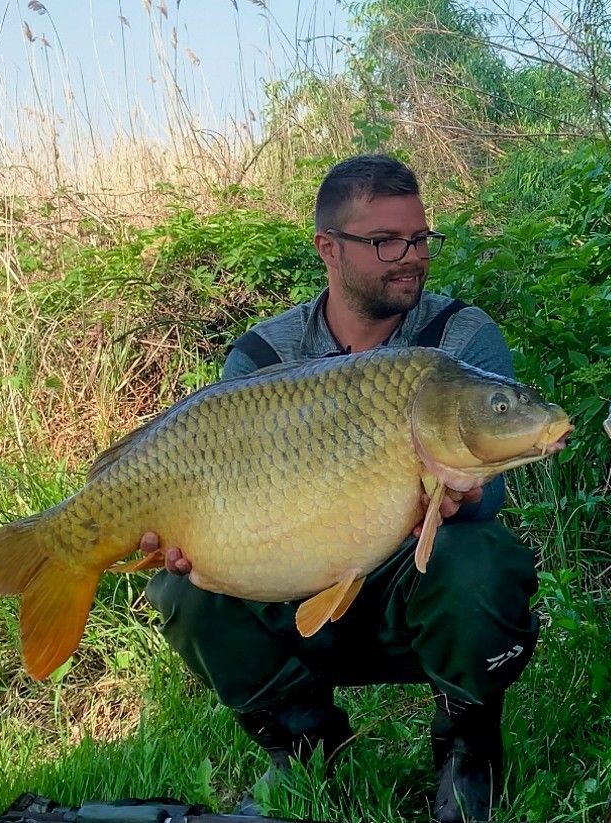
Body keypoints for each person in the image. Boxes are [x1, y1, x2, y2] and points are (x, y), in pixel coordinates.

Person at [138, 154, 537, 823]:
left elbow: (490, 489)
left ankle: (468, 748)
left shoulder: (460, 339)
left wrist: (468, 493)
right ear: (328, 247)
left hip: (414, 588)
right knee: (181, 588)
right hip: (289, 577)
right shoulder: (263, 357)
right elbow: (215, 486)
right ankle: (307, 746)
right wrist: (184, 539)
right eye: (386, 242)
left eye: (420, 238)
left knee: (481, 557)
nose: (411, 256)